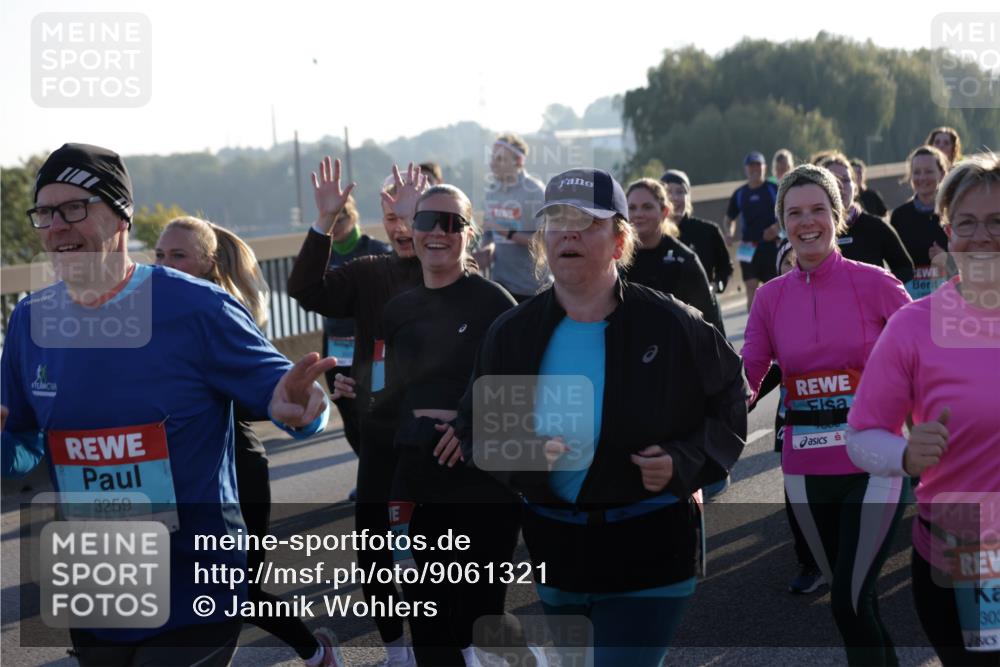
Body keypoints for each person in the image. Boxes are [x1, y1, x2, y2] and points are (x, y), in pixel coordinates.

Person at [2, 143, 336, 666]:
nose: (56, 226)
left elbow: (289, 394)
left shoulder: (197, 307)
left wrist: (304, 410)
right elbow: (22, 444)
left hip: (194, 585)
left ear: (121, 217)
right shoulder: (30, 321)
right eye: (45, 213)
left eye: (74, 208)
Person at [455, 168, 748, 666]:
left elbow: (731, 399)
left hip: (651, 545)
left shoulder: (671, 323)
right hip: (558, 551)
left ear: (619, 241)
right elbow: (475, 429)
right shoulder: (512, 333)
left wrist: (683, 460)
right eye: (557, 221)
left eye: (587, 222)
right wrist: (521, 453)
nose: (569, 233)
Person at [742, 164, 911, 666]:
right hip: (805, 468)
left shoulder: (876, 283)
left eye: (818, 209)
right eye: (795, 213)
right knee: (854, 598)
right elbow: (749, 374)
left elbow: (922, 353)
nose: (807, 222)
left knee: (849, 599)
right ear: (783, 223)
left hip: (875, 463)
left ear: (838, 217)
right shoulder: (770, 297)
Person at [154, 216, 342, 667]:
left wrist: (301, 409)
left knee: (235, 588)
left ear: (208, 263)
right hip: (171, 471)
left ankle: (316, 653)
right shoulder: (144, 319)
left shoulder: (222, 315)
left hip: (235, 467)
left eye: (178, 255)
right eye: (159, 255)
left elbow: (272, 394)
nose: (164, 265)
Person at [847, 152, 1000, 666]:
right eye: (967, 223)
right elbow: (862, 435)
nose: (983, 237)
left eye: (998, 221)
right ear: (948, 233)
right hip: (965, 560)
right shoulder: (914, 327)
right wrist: (906, 455)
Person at [288, 158, 430, 667]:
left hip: (438, 440)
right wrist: (324, 222)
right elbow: (306, 290)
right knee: (374, 550)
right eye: (391, 217)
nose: (400, 227)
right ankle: (397, 650)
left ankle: (449, 646)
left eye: (413, 215)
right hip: (382, 434)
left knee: (436, 553)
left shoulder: (453, 274)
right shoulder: (372, 270)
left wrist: (419, 226)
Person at [381, 184, 524, 666]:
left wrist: (470, 427)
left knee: (479, 619)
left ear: (470, 233)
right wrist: (350, 391)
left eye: (452, 223)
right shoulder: (397, 311)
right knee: (429, 625)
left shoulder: (496, 304)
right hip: (415, 485)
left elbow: (523, 394)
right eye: (427, 221)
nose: (437, 232)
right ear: (412, 229)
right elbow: (384, 401)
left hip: (483, 485)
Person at [748, 240, 828, 595]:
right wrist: (740, 400)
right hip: (793, 417)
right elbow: (763, 366)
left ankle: (842, 550)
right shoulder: (774, 306)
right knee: (796, 489)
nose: (796, 265)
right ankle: (809, 561)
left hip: (843, 417)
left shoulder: (839, 300)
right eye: (787, 261)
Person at [318, 194, 392, 500]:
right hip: (335, 346)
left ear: (354, 217)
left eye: (342, 219)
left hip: (370, 346)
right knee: (349, 415)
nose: (336, 226)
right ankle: (368, 471)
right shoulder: (322, 253)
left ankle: (385, 476)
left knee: (374, 414)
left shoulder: (376, 251)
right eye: (332, 221)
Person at [622, 178, 724, 332]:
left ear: (664, 212)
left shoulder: (684, 260)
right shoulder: (616, 260)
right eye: (632, 208)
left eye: (647, 207)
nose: (638, 214)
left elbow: (709, 323)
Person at [816, 152, 915, 283]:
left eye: (846, 180)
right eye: (833, 180)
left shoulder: (875, 226)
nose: (840, 186)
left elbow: (906, 269)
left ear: (855, 187)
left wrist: (879, 286)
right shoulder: (812, 230)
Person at [478, 133, 550, 302]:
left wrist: (505, 232)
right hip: (500, 285)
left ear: (518, 161)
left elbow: (544, 241)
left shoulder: (535, 191)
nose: (493, 163)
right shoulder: (492, 192)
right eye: (492, 157)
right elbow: (489, 234)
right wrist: (486, 250)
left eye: (500, 159)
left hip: (532, 288)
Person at [891, 146, 951, 299]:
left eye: (929, 171)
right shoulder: (899, 217)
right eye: (917, 172)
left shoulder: (954, 213)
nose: (922, 177)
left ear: (942, 174)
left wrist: (948, 260)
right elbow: (893, 266)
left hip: (949, 301)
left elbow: (973, 263)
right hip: (910, 301)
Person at [661, 169, 734, 296]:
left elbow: (726, 268)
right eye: (668, 192)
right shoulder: (651, 235)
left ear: (688, 197)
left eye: (680, 192)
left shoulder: (709, 231)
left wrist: (716, 286)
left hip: (702, 305)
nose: (674, 198)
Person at [725, 151, 780, 310]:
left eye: (758, 165)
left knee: (773, 289)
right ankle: (753, 324)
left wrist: (776, 228)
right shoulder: (740, 193)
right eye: (751, 166)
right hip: (747, 246)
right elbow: (729, 219)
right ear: (745, 169)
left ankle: (775, 321)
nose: (755, 169)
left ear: (765, 167)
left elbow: (787, 213)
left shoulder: (773, 189)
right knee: (751, 288)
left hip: (770, 246)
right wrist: (729, 232)